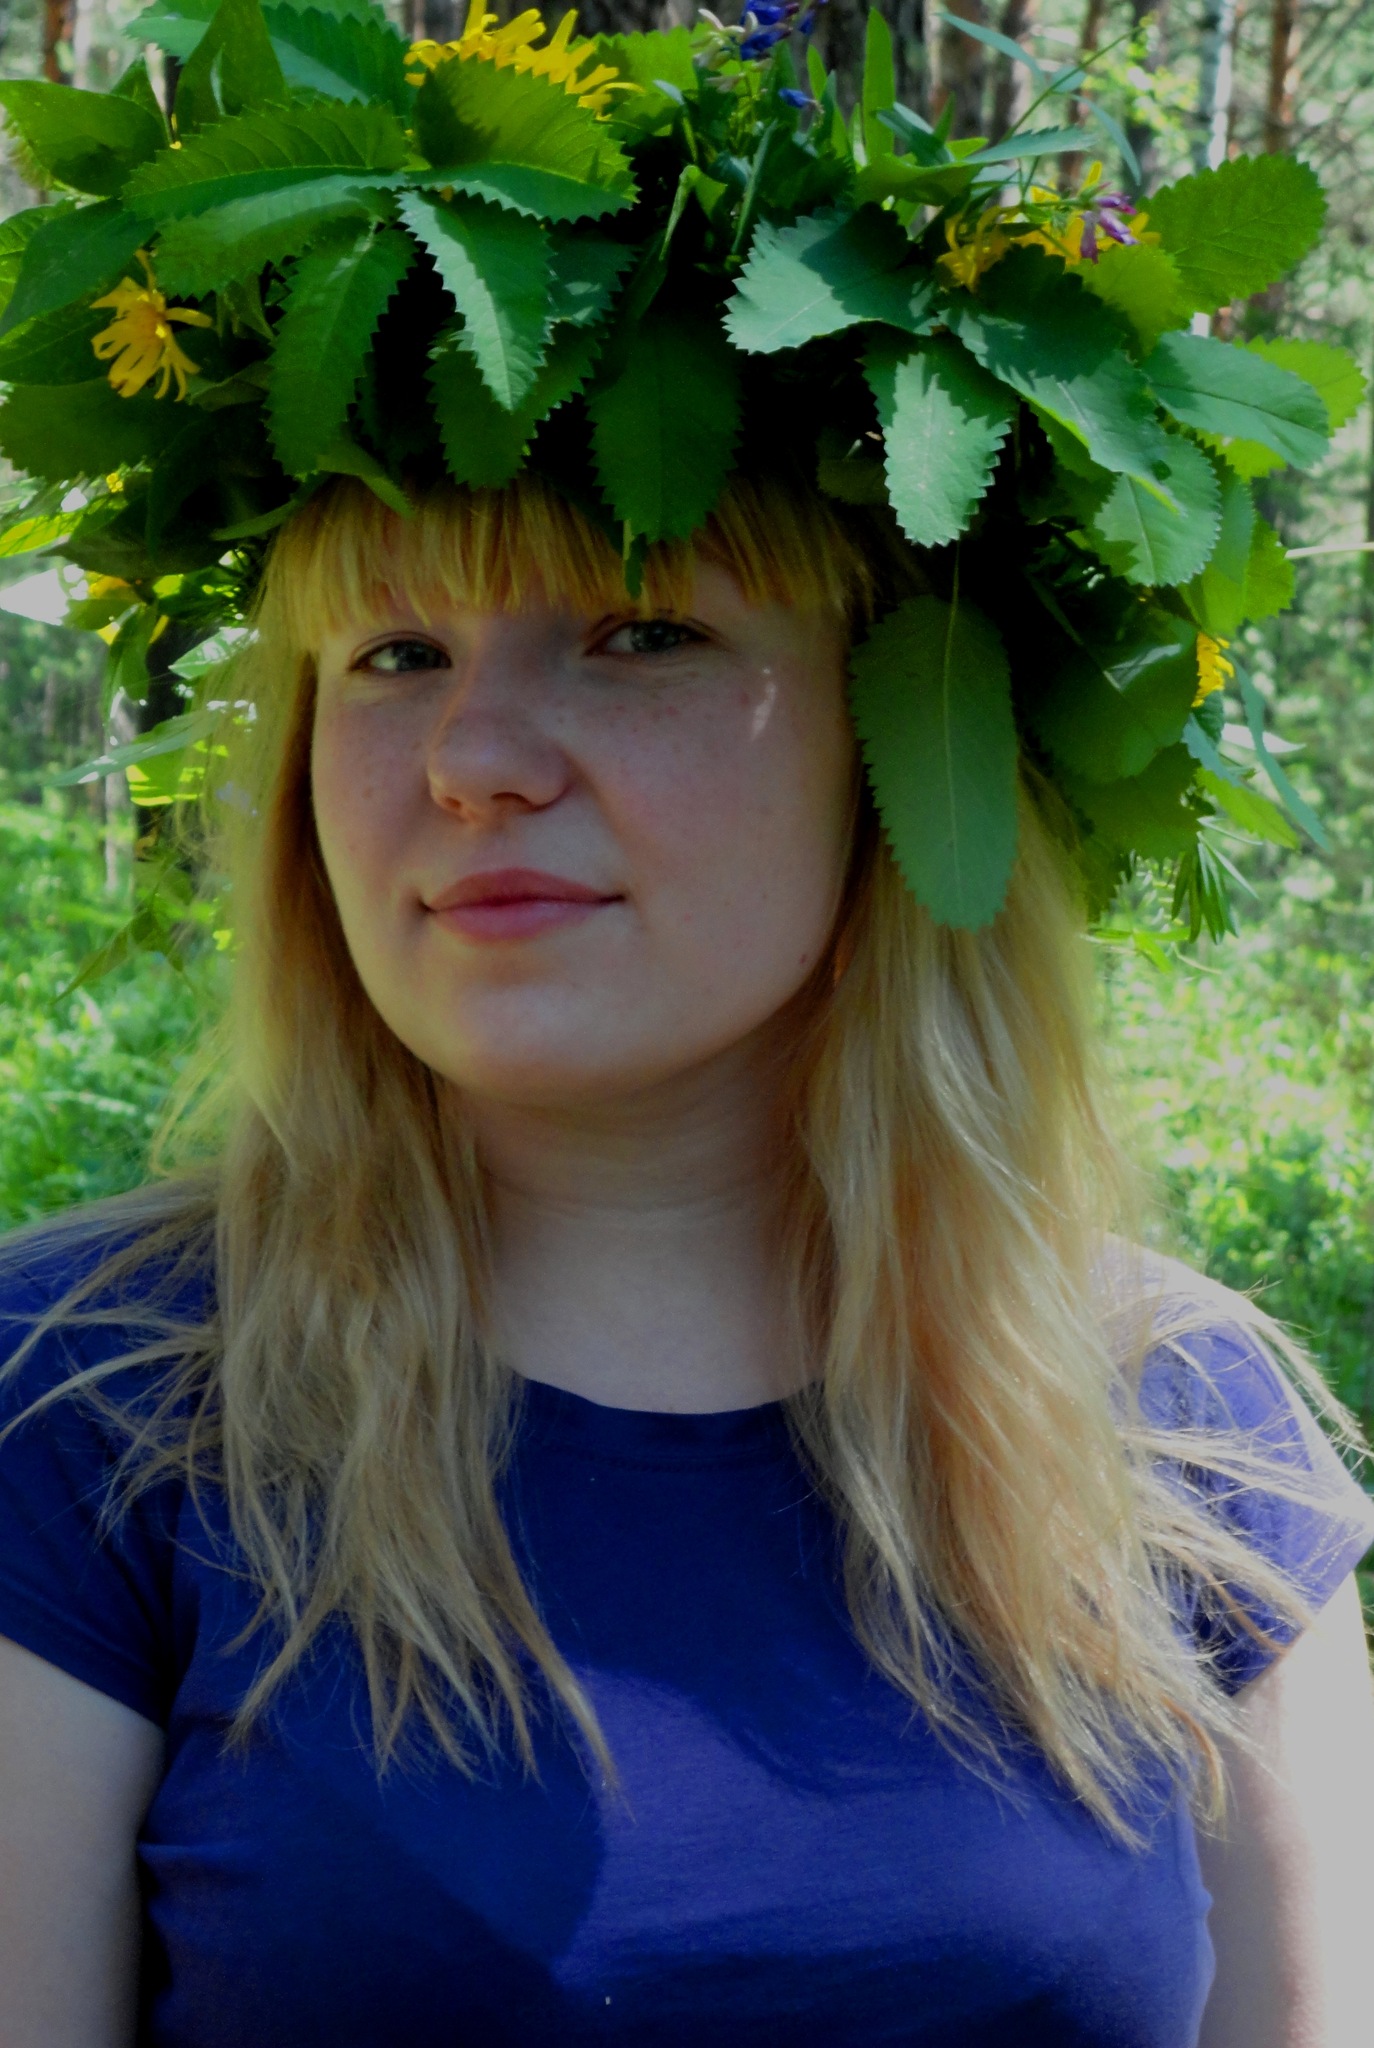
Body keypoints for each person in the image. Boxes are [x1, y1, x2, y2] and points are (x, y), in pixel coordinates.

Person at [0, 8, 1371, 2046]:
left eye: (640, 632)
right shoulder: (88, 1405)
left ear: (910, 744)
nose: (471, 755)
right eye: (394, 652)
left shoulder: (1175, 1429)